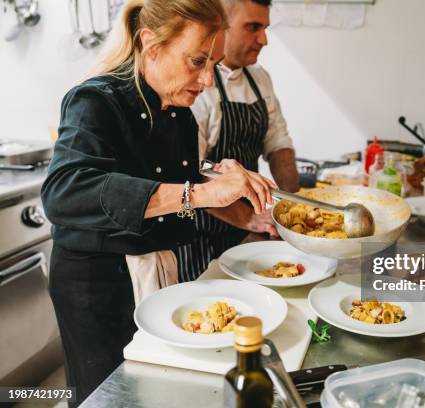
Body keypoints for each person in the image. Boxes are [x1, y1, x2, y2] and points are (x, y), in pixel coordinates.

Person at [41, 0, 275, 405]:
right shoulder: (95, 100)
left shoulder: (177, 112)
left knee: (152, 391)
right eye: (197, 61)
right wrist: (199, 192)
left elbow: (168, 181)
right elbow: (65, 190)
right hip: (99, 285)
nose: (206, 80)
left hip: (156, 268)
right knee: (108, 396)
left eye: (212, 65)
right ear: (151, 44)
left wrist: (216, 178)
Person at [177, 0, 299, 280]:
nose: (264, 40)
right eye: (253, 27)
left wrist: (290, 207)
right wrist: (250, 218)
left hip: (249, 232)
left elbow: (278, 143)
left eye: (265, 28)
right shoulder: (196, 87)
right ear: (221, 27)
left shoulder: (260, 78)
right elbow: (192, 172)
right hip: (202, 232)